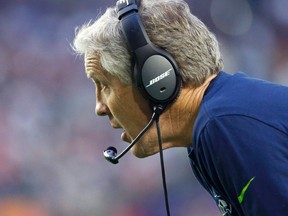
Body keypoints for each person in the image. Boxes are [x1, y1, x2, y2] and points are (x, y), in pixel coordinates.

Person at [73, 0, 288, 215]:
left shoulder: (223, 125)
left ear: (155, 78)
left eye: (104, 85)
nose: (99, 107)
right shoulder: (213, 124)